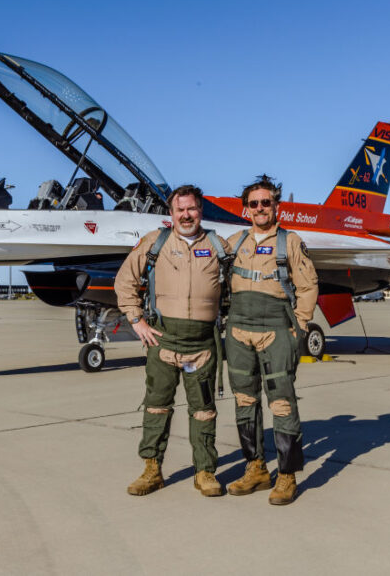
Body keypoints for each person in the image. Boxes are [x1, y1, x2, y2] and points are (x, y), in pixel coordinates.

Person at [115, 185, 231, 497]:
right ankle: (151, 469)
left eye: (191, 209)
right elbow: (125, 280)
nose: (186, 215)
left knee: (204, 410)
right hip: (163, 340)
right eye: (180, 210)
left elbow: (238, 287)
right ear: (171, 213)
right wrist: (136, 320)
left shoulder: (219, 246)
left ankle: (205, 472)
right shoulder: (156, 242)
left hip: (203, 344)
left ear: (200, 211)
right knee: (156, 407)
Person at [224, 175, 319, 505]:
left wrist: (301, 327)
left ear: (276, 205)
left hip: (276, 329)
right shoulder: (234, 242)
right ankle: (256, 469)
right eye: (254, 203)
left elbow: (307, 287)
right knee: (244, 400)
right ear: (245, 208)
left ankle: (287, 475)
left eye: (266, 202)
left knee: (281, 401)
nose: (260, 208)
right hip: (237, 328)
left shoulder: (289, 242)